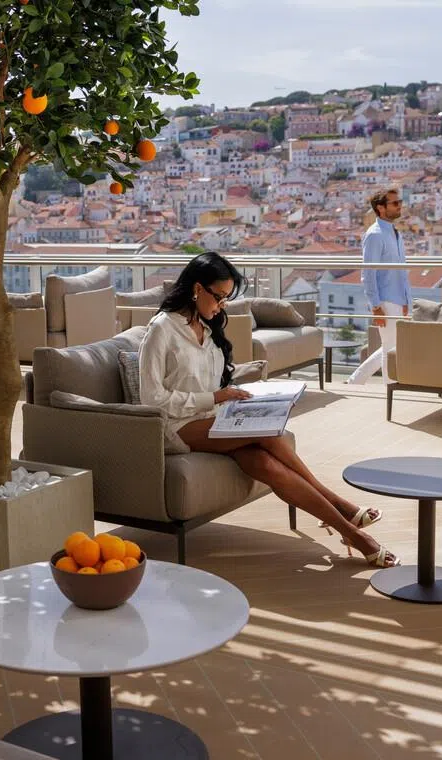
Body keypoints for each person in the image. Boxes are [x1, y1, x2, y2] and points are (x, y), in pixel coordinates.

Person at [138, 252, 399, 568]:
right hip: (174, 427)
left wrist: (242, 398)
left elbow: (212, 383)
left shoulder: (207, 326)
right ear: (197, 289)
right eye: (219, 297)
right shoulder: (162, 329)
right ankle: (345, 515)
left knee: (265, 462)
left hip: (210, 419)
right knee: (267, 433)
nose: (221, 305)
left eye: (226, 298)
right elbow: (152, 399)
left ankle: (347, 528)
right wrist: (215, 397)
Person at [347, 188, 411, 385]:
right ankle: (388, 391)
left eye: (400, 202)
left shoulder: (394, 233)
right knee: (390, 348)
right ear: (381, 208)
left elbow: (400, 271)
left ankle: (354, 381)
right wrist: (376, 306)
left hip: (398, 299)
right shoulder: (374, 235)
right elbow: (368, 273)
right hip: (385, 301)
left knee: (389, 345)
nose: (399, 206)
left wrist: (406, 300)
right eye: (395, 203)